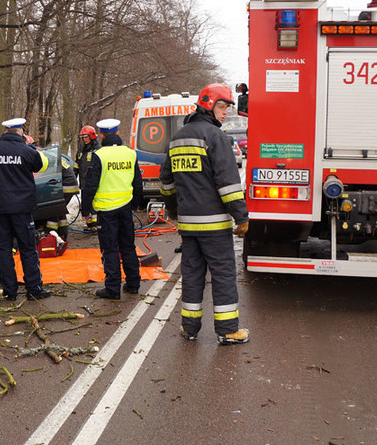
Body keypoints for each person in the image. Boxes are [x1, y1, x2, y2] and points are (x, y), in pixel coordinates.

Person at [159, 83, 250, 345]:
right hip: (214, 227)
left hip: (188, 226)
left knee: (192, 276)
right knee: (222, 275)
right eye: (222, 107)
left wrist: (175, 210)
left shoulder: (177, 139)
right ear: (208, 106)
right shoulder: (215, 137)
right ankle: (228, 330)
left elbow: (166, 182)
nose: (225, 113)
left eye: (227, 108)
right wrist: (241, 217)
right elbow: (229, 184)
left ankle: (189, 328)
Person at [0, 118, 52, 301]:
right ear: (21, 131)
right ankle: (34, 289)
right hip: (22, 209)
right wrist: (32, 147)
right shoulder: (26, 150)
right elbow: (43, 165)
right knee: (28, 249)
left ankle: (10, 291)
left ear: (6, 131)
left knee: (4, 249)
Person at [81, 118, 142, 300]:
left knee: (110, 249)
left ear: (101, 135)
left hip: (106, 211)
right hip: (125, 208)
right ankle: (133, 283)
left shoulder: (99, 155)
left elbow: (90, 185)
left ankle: (113, 288)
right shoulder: (130, 153)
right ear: (117, 132)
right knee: (128, 246)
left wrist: (86, 210)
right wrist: (134, 204)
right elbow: (138, 182)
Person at [74, 125, 101, 230]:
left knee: (94, 204)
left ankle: (96, 224)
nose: (84, 139)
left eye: (86, 137)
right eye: (83, 137)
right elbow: (77, 165)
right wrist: (73, 177)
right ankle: (90, 224)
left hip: (94, 182)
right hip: (84, 182)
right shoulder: (81, 150)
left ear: (92, 136)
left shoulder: (97, 149)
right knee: (86, 205)